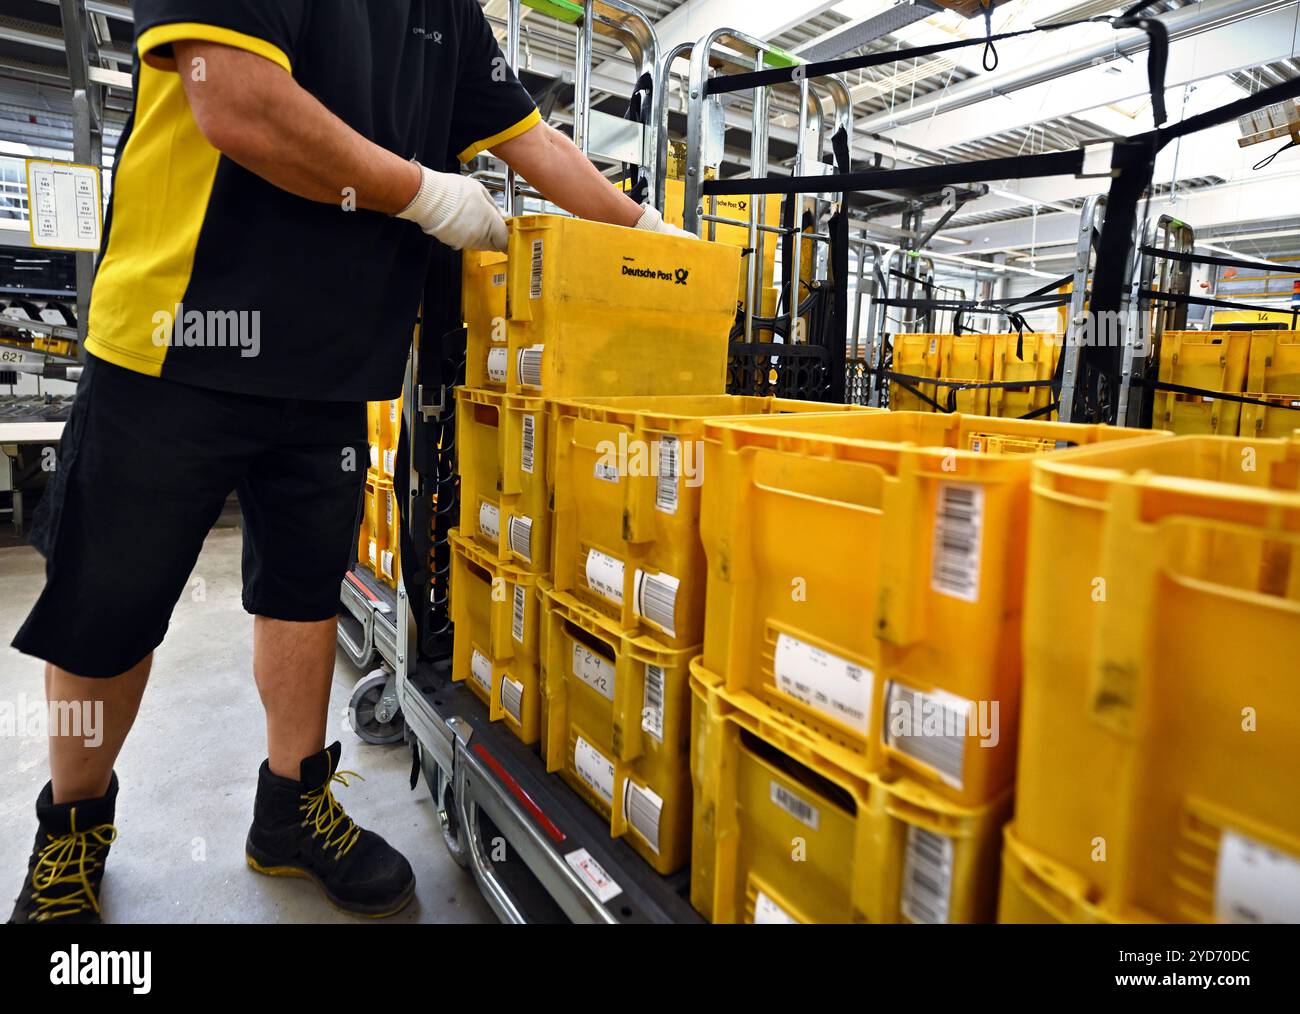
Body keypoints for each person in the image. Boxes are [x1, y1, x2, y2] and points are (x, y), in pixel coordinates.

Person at [9, 0, 689, 924]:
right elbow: (238, 103)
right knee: (107, 607)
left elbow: (531, 140)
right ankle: (74, 830)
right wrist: (427, 193)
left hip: (329, 364)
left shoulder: (441, 11)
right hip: (175, 341)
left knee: (301, 592)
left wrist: (647, 234)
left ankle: (291, 806)